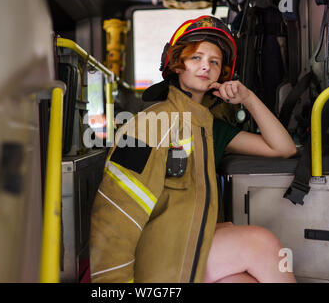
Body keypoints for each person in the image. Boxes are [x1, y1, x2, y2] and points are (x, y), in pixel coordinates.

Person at [89, 15, 297, 283]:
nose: (205, 67)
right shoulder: (149, 125)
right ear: (177, 65)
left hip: (189, 243)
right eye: (196, 58)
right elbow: (116, 211)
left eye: (214, 62)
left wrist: (247, 97)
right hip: (154, 257)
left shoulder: (210, 126)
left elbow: (283, 148)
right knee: (262, 243)